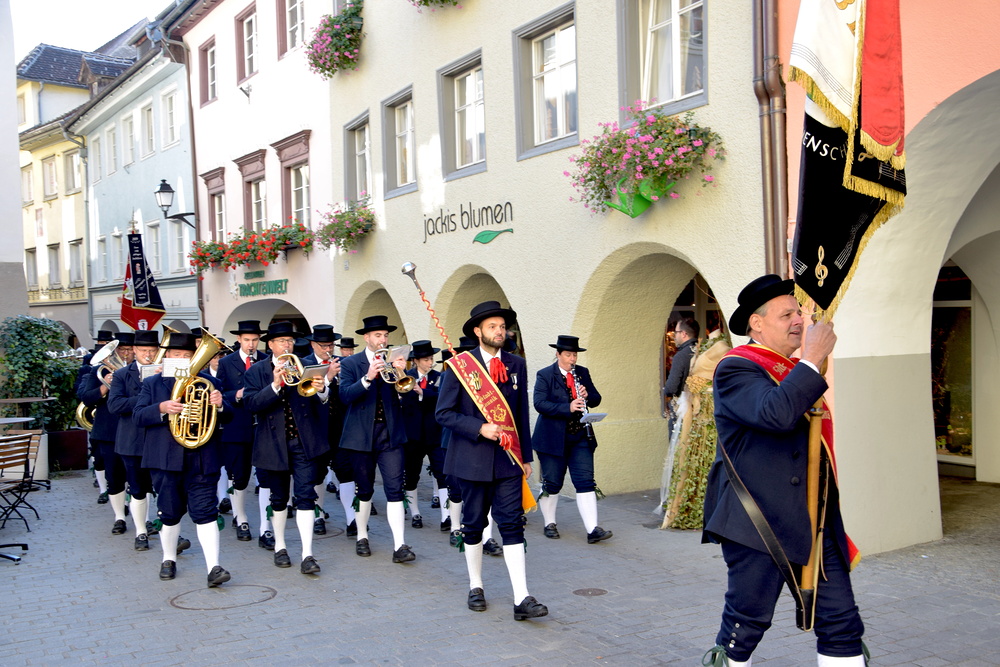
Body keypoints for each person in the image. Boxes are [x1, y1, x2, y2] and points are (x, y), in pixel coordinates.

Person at [702, 275, 865, 666]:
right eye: (786, 314)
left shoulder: (792, 368)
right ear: (756, 323)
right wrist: (811, 360)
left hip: (814, 519)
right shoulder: (735, 367)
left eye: (798, 313)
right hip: (759, 520)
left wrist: (808, 363)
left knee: (842, 623)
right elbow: (775, 414)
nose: (798, 321)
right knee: (744, 626)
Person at [436, 301, 546, 621]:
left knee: (512, 523)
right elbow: (443, 413)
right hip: (470, 459)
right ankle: (476, 585)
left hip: (507, 460)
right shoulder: (460, 366)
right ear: (478, 331)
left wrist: (525, 456)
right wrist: (479, 427)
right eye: (492, 327)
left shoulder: (516, 364)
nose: (499, 332)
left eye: (502, 327)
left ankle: (521, 597)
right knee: (474, 524)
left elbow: (521, 414)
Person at [133, 332, 232, 587]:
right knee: (169, 513)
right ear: (167, 356)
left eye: (187, 356)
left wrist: (221, 405)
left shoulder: (209, 382)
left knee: (206, 512)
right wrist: (161, 408)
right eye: (177, 355)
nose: (182, 359)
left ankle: (214, 567)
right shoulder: (153, 384)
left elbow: (230, 415)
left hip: (202, 458)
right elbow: (138, 416)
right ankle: (168, 558)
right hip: (165, 459)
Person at [244, 321, 330, 575]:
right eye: (282, 341)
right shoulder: (257, 371)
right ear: (270, 344)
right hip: (273, 444)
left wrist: (322, 390)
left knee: (306, 496)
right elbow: (251, 404)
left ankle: (307, 554)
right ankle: (280, 546)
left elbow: (320, 402)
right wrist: (274, 385)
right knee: (279, 498)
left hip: (303, 442)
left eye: (290, 341)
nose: (287, 345)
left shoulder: (305, 365)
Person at [338, 315, 414, 563]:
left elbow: (407, 396)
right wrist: (368, 377)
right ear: (367, 338)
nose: (383, 339)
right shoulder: (351, 363)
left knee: (395, 489)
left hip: (390, 434)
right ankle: (362, 535)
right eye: (378, 335)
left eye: (385, 335)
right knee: (365, 490)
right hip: (361, 436)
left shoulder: (393, 361)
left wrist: (402, 372)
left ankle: (400, 545)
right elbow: (345, 396)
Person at [532, 335, 610, 544]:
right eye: (568, 355)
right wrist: (567, 407)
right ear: (558, 354)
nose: (572, 359)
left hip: (580, 436)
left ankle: (593, 530)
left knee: (585, 481)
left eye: (574, 355)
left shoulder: (582, 372)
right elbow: (539, 403)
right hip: (552, 438)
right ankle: (550, 523)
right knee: (552, 482)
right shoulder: (545, 375)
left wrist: (587, 394)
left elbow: (596, 399)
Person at [216, 321, 272, 547]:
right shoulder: (226, 362)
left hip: (264, 426)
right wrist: (236, 394)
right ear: (239, 339)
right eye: (247, 340)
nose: (251, 344)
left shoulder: (266, 360)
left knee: (266, 476)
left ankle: (266, 526)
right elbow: (219, 392)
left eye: (255, 340)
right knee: (239, 476)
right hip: (237, 426)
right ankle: (241, 519)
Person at [106, 331, 160, 551]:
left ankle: (166, 528)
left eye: (152, 351)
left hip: (159, 438)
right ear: (135, 351)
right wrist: (147, 397)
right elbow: (114, 405)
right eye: (144, 350)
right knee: (137, 488)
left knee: (163, 487)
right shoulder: (121, 374)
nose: (148, 354)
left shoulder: (164, 372)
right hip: (132, 440)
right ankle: (140, 531)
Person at [76, 336, 126, 530]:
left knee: (139, 478)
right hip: (108, 432)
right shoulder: (98, 372)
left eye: (129, 350)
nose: (126, 354)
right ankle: (119, 517)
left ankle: (143, 518)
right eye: (122, 350)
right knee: (114, 476)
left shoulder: (140, 372)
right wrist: (105, 385)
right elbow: (86, 398)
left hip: (135, 430)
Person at [300, 324, 343, 536]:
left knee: (344, 470)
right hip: (315, 427)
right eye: (324, 346)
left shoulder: (341, 363)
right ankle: (318, 514)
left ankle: (352, 519)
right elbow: (306, 397)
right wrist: (328, 378)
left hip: (339, 426)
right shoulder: (305, 365)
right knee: (317, 473)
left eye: (331, 345)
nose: (328, 349)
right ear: (313, 345)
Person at [399, 340, 442, 530]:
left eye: (431, 359)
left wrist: (421, 391)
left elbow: (440, 396)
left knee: (442, 473)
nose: (430, 363)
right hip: (412, 436)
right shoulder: (405, 377)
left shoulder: (438, 377)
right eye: (426, 359)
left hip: (434, 434)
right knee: (411, 475)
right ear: (416, 361)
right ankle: (415, 512)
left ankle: (447, 516)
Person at [664, 317, 700, 399]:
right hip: (702, 401)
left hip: (685, 403)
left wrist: (666, 390)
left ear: (683, 334)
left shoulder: (680, 356)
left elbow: (671, 389)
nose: (675, 336)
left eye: (676, 332)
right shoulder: (704, 351)